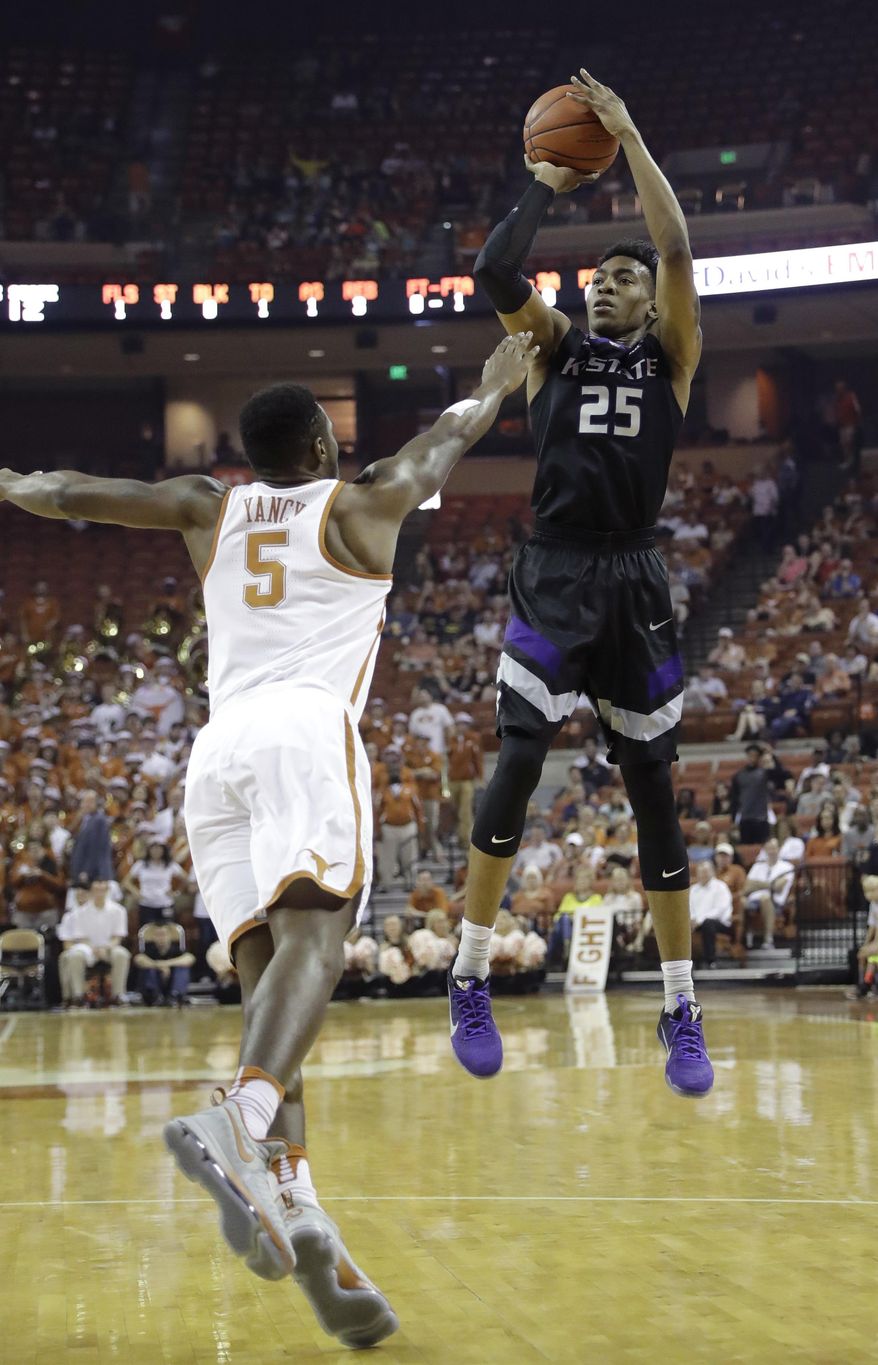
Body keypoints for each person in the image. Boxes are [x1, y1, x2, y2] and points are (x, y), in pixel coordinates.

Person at [0, 328, 536, 1348]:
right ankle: (240, 1125)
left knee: (269, 999)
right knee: (318, 946)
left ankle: (298, 1206)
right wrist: (495, 384)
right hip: (302, 730)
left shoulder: (208, 506)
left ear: (250, 456)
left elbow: (64, 492)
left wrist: (11, 481)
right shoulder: (364, 501)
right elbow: (444, 443)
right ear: (324, 449)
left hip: (217, 755)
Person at [449, 67, 712, 1096]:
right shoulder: (552, 348)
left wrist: (629, 136)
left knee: (654, 796)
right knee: (518, 759)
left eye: (622, 277)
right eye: (597, 275)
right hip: (554, 566)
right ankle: (470, 974)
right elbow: (493, 267)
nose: (605, 283)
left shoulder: (672, 356)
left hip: (634, 574)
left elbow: (677, 248)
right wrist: (545, 185)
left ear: (649, 301)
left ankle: (680, 1008)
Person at [56, 879, 130, 1006]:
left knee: (122, 954)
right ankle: (78, 996)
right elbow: (81, 937)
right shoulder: (79, 912)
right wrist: (93, 949)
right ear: (91, 891)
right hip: (87, 949)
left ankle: (118, 994)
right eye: (96, 889)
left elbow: (117, 937)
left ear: (107, 890)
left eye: (102, 889)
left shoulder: (119, 910)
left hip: (109, 948)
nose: (99, 892)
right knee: (74, 956)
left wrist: (106, 948)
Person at [743, 838, 796, 950]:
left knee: (765, 898)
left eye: (774, 848)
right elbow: (747, 886)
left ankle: (768, 939)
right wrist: (770, 884)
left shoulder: (787, 867)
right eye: (769, 848)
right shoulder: (757, 866)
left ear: (779, 849)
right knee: (740, 900)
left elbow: (778, 887)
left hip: (775, 901)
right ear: (765, 850)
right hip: (753, 899)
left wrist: (757, 884)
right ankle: (744, 938)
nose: (771, 851)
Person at [133, 921, 195, 1005]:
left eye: (163, 934)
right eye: (158, 935)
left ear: (170, 936)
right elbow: (139, 959)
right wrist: (158, 966)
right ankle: (154, 996)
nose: (161, 938)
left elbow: (190, 958)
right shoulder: (149, 949)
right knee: (148, 968)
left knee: (182, 969)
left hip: (171, 982)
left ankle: (175, 995)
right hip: (155, 985)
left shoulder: (176, 949)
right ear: (153, 937)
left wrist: (166, 964)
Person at [689, 859, 734, 967]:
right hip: (698, 923)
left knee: (708, 923)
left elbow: (720, 910)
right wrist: (692, 920)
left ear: (712, 872)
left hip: (720, 923)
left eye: (705, 871)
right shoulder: (693, 889)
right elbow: (690, 908)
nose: (703, 874)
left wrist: (699, 921)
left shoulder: (721, 887)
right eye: (700, 872)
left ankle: (711, 961)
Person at [730, 744, 773, 845]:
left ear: (759, 757)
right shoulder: (738, 776)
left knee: (763, 846)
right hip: (745, 818)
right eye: (750, 755)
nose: (752, 758)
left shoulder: (765, 773)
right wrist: (733, 819)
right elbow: (734, 799)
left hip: (761, 818)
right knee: (746, 846)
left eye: (755, 755)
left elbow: (780, 775)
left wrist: (770, 756)